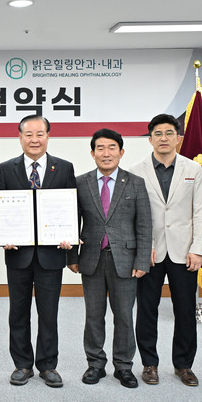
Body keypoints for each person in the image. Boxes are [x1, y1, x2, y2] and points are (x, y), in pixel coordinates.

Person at [0, 115, 76, 388]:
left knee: (48, 312)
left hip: (52, 254)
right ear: (20, 138)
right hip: (18, 253)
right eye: (28, 134)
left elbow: (72, 208)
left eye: (40, 134)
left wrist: (69, 238)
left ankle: (48, 365)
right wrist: (3, 236)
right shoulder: (6, 169)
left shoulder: (64, 168)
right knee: (18, 311)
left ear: (48, 136)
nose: (34, 140)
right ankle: (22, 364)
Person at [68, 128, 151, 388]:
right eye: (100, 148)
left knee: (124, 316)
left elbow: (144, 225)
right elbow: (71, 222)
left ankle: (124, 366)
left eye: (112, 148)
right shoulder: (80, 183)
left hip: (125, 260)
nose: (106, 153)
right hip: (91, 259)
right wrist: (72, 256)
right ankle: (95, 364)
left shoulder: (135, 183)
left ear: (121, 152)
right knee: (94, 315)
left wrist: (142, 260)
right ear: (92, 153)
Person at [129, 114, 202, 387]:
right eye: (158, 134)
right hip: (149, 253)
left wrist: (198, 248)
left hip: (184, 252)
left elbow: (201, 211)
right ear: (150, 139)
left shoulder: (193, 169)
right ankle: (149, 364)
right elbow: (133, 215)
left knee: (185, 310)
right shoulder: (136, 170)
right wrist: (144, 247)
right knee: (146, 310)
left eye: (169, 133)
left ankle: (184, 365)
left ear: (178, 138)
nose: (163, 138)